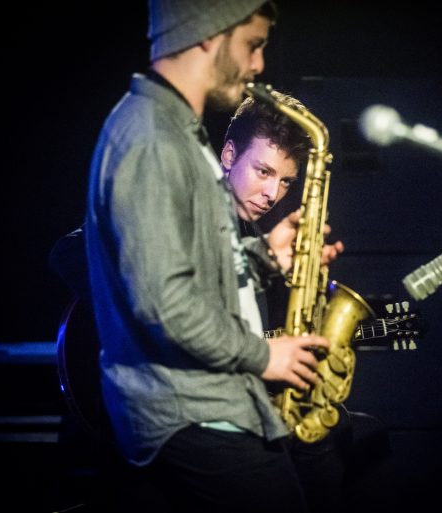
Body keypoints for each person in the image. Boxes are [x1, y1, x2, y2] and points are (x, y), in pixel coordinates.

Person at [52, 85, 397, 512]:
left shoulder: (252, 233)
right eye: (263, 171)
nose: (272, 194)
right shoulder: (185, 201)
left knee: (352, 431)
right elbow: (68, 252)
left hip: (214, 403)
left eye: (286, 181)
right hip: (156, 407)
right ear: (229, 155)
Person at [79, 1, 345, 511]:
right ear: (207, 33)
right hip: (194, 414)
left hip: (200, 411)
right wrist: (265, 356)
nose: (258, 64)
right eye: (253, 45)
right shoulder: (152, 138)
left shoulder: (175, 132)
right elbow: (163, 304)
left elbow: (188, 271)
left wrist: (265, 255)